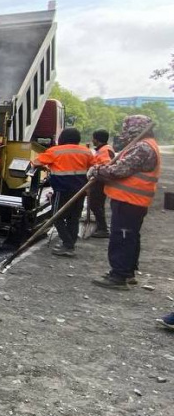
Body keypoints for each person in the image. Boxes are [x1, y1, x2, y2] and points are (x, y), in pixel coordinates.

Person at [89, 115, 159, 290]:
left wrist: (96, 171)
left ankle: (119, 276)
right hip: (133, 201)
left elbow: (119, 170)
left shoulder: (143, 147)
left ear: (135, 128)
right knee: (130, 236)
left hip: (129, 201)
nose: (124, 131)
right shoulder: (145, 144)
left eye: (126, 127)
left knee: (122, 237)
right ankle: (127, 272)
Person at [32, 127, 94, 257]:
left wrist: (46, 166)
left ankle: (68, 244)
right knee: (74, 218)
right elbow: (93, 167)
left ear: (62, 138)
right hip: (80, 191)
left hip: (62, 190)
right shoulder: (86, 151)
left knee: (56, 217)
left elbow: (35, 163)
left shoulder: (55, 151)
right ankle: (69, 244)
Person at [87, 129, 114, 238]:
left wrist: (94, 169)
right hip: (99, 180)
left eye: (93, 138)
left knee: (95, 204)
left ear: (97, 139)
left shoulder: (104, 150)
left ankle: (103, 229)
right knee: (98, 205)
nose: (92, 140)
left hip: (99, 181)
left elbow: (106, 165)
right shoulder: (104, 149)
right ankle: (101, 227)